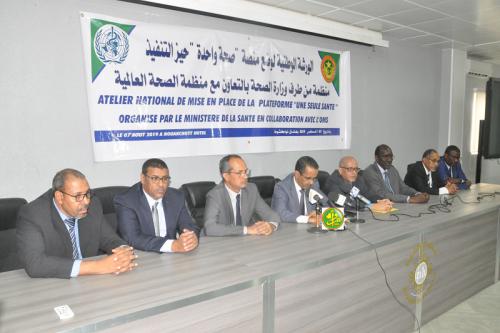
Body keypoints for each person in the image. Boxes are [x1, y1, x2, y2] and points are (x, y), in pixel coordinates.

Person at [16, 169, 137, 279]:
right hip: (54, 282)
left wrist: (123, 252)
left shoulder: (93, 205)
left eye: (87, 194)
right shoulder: (33, 214)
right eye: (78, 196)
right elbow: (35, 264)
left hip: (90, 281)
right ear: (59, 197)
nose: (86, 201)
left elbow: (109, 239)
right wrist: (97, 266)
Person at [114, 158, 199, 253]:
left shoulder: (176, 197)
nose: (161, 184)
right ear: (142, 178)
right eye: (155, 178)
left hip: (173, 256)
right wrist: (172, 245)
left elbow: (189, 226)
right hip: (141, 256)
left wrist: (191, 237)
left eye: (165, 179)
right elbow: (133, 238)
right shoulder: (126, 200)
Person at [204, 154, 281, 236]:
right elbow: (210, 228)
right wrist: (246, 230)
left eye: (246, 171)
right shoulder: (215, 195)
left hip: (244, 242)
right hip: (221, 243)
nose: (245, 176)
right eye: (239, 173)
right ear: (226, 176)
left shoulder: (251, 189)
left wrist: (271, 226)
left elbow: (271, 215)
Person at [364, 144, 429, 204]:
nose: (389, 160)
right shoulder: (370, 172)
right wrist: (409, 199)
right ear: (376, 158)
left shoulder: (392, 169)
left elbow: (403, 188)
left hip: (398, 205)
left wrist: (417, 194)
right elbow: (381, 194)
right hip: (381, 208)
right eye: (385, 156)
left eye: (391, 156)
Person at [325, 156, 393, 212]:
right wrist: (370, 206)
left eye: (356, 169)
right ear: (340, 170)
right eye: (350, 169)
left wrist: (380, 200)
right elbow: (346, 205)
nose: (354, 173)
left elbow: (369, 194)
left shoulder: (358, 179)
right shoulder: (333, 182)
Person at [272, 156, 327, 223]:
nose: (311, 182)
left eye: (314, 178)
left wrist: (320, 214)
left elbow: (326, 204)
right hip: (291, 230)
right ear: (297, 174)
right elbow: (280, 214)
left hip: (311, 228)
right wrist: (307, 219)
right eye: (308, 178)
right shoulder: (282, 187)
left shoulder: (314, 184)